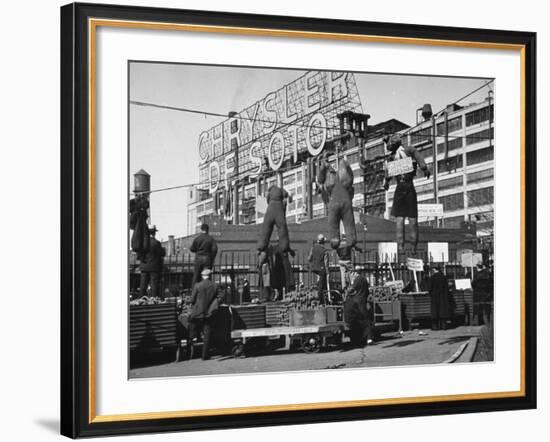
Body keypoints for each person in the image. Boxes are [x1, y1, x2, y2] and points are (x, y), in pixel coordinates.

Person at [383, 134, 430, 252]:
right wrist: (424, 168)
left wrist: (387, 183)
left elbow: (387, 175)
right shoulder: (409, 150)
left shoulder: (391, 157)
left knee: (400, 219)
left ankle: (400, 247)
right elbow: (419, 159)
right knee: (413, 219)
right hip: (410, 187)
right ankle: (413, 247)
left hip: (399, 188)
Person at [188, 268, 222, 360]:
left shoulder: (197, 285)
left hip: (197, 313)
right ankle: (205, 355)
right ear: (210, 276)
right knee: (207, 333)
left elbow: (192, 300)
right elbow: (220, 297)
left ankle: (192, 338)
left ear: (202, 276)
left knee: (191, 324)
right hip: (209, 313)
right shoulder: (215, 285)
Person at [343, 270, 374, 347]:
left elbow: (352, 289)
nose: (352, 275)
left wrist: (347, 290)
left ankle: (366, 337)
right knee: (366, 318)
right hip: (363, 300)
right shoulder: (364, 279)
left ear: (355, 273)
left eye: (352, 273)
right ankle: (368, 337)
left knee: (361, 319)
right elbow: (367, 291)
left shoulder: (357, 280)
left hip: (357, 301)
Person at [138, 226, 165, 299]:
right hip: (154, 267)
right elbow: (162, 254)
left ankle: (141, 300)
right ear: (154, 233)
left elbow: (139, 255)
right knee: (154, 285)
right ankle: (154, 300)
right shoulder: (156, 243)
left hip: (144, 266)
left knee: (143, 285)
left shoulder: (142, 242)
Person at [427, 266, 451, 330]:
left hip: (435, 296)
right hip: (443, 296)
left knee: (435, 311)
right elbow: (447, 287)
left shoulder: (432, 277)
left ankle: (435, 326)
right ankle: (444, 325)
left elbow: (430, 288)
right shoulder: (444, 277)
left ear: (434, 269)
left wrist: (430, 293)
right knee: (442, 311)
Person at [308, 234, 329, 304]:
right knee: (322, 284)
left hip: (314, 268)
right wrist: (327, 272)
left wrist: (313, 263)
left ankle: (317, 285)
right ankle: (321, 299)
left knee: (320, 279)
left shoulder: (313, 248)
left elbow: (309, 258)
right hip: (321, 268)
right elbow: (326, 263)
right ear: (324, 242)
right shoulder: (325, 250)